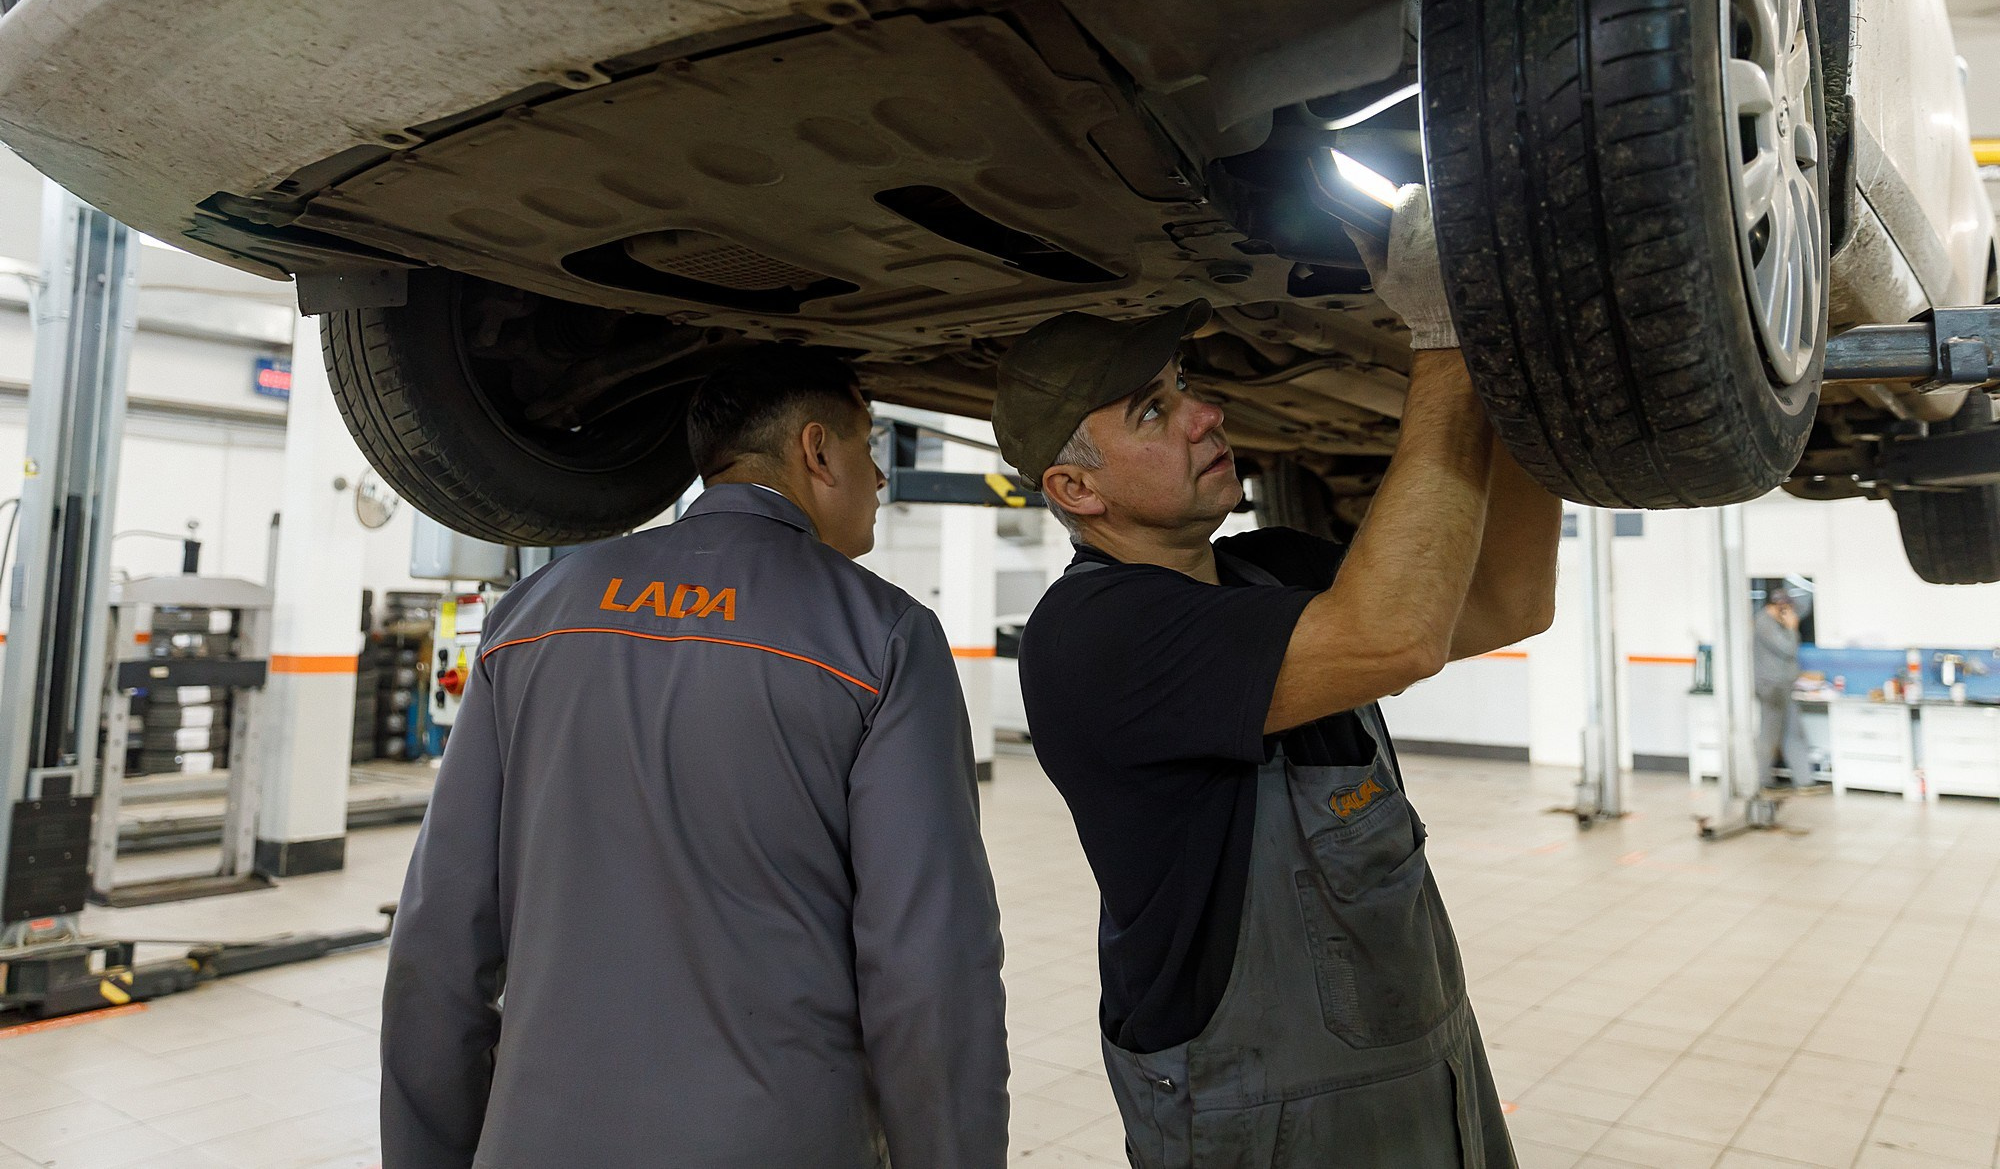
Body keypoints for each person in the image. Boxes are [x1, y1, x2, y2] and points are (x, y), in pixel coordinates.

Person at [997, 186, 1560, 1168]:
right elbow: (1395, 639)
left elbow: (1506, 601)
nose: (1205, 412)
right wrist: (1439, 334)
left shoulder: (1273, 569)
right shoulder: (1093, 636)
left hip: (1425, 1069)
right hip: (1259, 1113)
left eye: (1184, 385)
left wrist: (1510, 352)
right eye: (1153, 410)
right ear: (1076, 488)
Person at [380, 347, 1009, 1169]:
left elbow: (438, 944)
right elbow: (928, 967)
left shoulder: (534, 613)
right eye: (869, 444)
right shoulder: (884, 637)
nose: (882, 476)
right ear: (817, 450)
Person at [1754, 589, 1812, 789]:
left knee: (1794, 732)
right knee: (1769, 735)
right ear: (1777, 606)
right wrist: (1792, 628)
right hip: (1771, 688)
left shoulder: (1776, 622)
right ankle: (1762, 780)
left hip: (1784, 686)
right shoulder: (1764, 623)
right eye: (1786, 609)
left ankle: (1804, 781)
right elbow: (1788, 649)